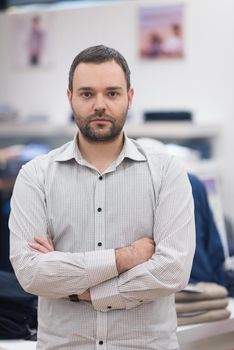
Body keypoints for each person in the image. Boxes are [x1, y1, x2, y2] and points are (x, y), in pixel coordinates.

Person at [9, 45, 195, 350]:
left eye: (112, 93)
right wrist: (125, 258)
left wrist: (81, 291)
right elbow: (32, 273)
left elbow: (172, 271)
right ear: (69, 98)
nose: (99, 105)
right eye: (86, 94)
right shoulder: (35, 176)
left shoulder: (166, 172)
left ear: (129, 97)